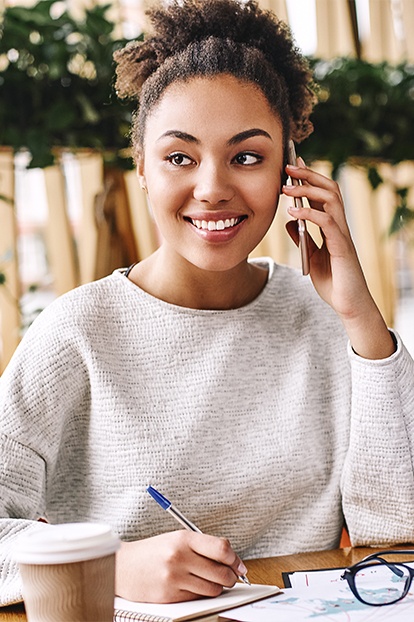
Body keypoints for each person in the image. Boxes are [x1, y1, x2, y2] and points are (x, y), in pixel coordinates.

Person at [1, 0, 414, 607]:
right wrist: (109, 566)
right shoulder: (77, 334)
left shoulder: (330, 323)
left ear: (290, 172)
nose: (214, 188)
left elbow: (398, 537)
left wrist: (361, 320)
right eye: (179, 157)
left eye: (247, 157)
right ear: (141, 167)